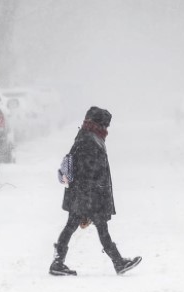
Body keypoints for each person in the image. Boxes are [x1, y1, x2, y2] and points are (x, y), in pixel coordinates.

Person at [49, 106, 141, 276]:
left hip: (84, 194)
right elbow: (88, 172)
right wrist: (89, 202)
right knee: (98, 228)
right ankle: (118, 262)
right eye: (105, 126)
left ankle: (58, 262)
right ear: (99, 124)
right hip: (89, 195)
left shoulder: (87, 137)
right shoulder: (89, 140)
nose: (107, 130)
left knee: (74, 226)